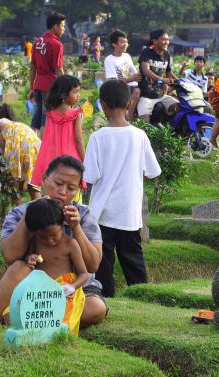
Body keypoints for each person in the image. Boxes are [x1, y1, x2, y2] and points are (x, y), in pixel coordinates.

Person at [0, 155, 106, 328]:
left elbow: (93, 265)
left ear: (78, 191)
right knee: (18, 267)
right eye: (58, 184)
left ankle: (33, 319)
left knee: (95, 309)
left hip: (75, 288)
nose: (63, 191)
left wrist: (76, 228)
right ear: (44, 180)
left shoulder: (84, 215)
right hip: (33, 286)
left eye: (71, 188)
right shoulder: (20, 213)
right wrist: (31, 215)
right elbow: (10, 256)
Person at [83, 79, 161, 297]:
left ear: (102, 105)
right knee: (133, 257)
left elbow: (90, 175)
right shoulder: (140, 136)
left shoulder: (98, 137)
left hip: (102, 211)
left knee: (103, 259)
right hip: (128, 210)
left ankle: (104, 297)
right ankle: (142, 296)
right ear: (129, 103)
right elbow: (153, 171)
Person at [24, 198, 89, 336]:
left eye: (54, 235)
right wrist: (30, 259)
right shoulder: (35, 241)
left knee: (64, 321)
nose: (50, 240)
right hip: (42, 290)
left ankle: (59, 340)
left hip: (66, 289)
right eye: (43, 237)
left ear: (62, 225)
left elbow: (84, 274)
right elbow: (28, 258)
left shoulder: (70, 244)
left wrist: (73, 286)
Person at [31, 75, 85, 202]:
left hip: (51, 159)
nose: (78, 95)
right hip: (71, 159)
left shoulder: (50, 113)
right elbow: (78, 140)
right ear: (63, 94)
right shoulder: (76, 114)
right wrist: (85, 159)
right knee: (73, 196)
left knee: (52, 195)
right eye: (75, 92)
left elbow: (45, 136)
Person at [29, 12, 66, 136]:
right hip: (50, 86)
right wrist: (66, 87)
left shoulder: (38, 42)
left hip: (38, 85)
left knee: (36, 118)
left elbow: (33, 66)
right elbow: (58, 69)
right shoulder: (57, 44)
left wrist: (31, 88)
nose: (63, 29)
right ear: (55, 26)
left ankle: (33, 145)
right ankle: (44, 146)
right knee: (47, 117)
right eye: (62, 26)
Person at [0, 103, 41, 204]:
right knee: (32, 183)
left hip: (23, 147)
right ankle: (40, 208)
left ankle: (20, 211)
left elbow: (3, 147)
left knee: (14, 182)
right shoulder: (16, 125)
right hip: (36, 145)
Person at [137, 29, 179, 121]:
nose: (167, 42)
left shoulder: (166, 54)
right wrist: (162, 79)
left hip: (161, 95)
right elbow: (146, 70)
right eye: (163, 39)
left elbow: (169, 73)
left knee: (179, 107)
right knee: (145, 123)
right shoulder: (147, 52)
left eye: (167, 40)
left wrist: (181, 81)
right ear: (155, 41)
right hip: (146, 95)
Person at [104, 29, 142, 121]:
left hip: (132, 85)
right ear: (114, 44)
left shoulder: (127, 56)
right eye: (122, 42)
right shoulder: (109, 60)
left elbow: (134, 72)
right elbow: (114, 81)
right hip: (119, 87)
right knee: (136, 91)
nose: (125, 44)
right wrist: (132, 79)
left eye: (126, 42)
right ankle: (129, 118)